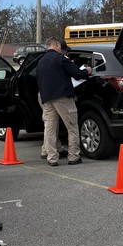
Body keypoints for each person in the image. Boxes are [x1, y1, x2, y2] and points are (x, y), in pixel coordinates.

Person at [37, 37, 92, 165]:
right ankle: (73, 157)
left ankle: (52, 158)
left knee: (49, 128)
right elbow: (77, 74)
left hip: (47, 99)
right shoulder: (61, 59)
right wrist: (87, 71)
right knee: (72, 126)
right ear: (56, 45)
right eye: (60, 46)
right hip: (62, 97)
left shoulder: (40, 61)